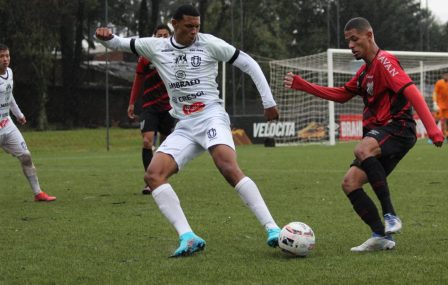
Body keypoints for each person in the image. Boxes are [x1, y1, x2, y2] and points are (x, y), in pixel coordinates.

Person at [95, 4, 281, 257]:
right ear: (174, 23)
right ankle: (188, 236)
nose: (194, 31)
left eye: (197, 26)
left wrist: (268, 102)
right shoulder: (156, 46)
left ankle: (272, 229)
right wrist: (104, 37)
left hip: (211, 116)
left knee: (227, 166)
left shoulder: (209, 43)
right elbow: (118, 43)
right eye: (189, 26)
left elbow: (248, 63)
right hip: (184, 125)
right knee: (153, 176)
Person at [284, 17, 444, 252]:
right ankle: (381, 236)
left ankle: (390, 214)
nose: (350, 45)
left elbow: (411, 91)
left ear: (369, 35)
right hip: (381, 134)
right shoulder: (363, 73)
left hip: (398, 128)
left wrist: (432, 128)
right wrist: (304, 85)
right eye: (348, 41)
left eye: (354, 39)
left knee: (362, 148)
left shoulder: (386, 62)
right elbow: (341, 94)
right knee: (350, 183)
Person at [0, 44, 56, 202]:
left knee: (26, 156)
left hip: (7, 125)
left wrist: (18, 114)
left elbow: (9, 96)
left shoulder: (9, 73)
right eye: (1, 56)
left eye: (7, 56)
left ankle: (38, 193)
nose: (5, 59)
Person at [127, 24, 175, 195]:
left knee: (166, 144)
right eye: (159, 35)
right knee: (147, 141)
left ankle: (160, 176)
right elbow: (138, 81)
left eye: (165, 35)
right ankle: (150, 181)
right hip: (149, 106)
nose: (162, 38)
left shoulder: (175, 55)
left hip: (169, 107)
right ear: (153, 37)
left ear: (170, 37)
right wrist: (132, 102)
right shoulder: (146, 56)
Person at [431, 71, 448, 144]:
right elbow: (435, 92)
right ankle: (431, 138)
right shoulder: (439, 83)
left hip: (447, 106)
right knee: (436, 121)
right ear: (442, 76)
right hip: (439, 105)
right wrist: (434, 102)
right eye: (445, 75)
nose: (447, 76)